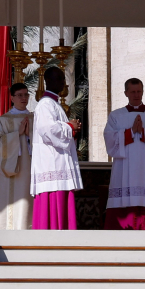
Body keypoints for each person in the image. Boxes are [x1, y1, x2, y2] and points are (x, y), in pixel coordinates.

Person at [103, 78, 145, 230]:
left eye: (139, 91)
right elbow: (109, 139)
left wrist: (144, 133)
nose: (136, 95)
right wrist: (130, 132)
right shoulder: (116, 116)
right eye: (132, 92)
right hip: (123, 167)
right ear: (126, 93)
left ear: (143, 92)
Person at [30, 67, 83, 230]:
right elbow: (47, 130)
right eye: (60, 79)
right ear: (49, 81)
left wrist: (72, 129)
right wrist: (69, 126)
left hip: (58, 162)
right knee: (54, 206)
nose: (63, 83)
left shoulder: (53, 104)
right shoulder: (45, 104)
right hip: (52, 164)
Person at [0, 82, 34, 230]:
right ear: (12, 98)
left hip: (31, 168)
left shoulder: (35, 118)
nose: (23, 98)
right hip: (12, 170)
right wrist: (16, 134)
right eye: (19, 95)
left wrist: (30, 134)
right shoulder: (3, 120)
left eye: (26, 94)